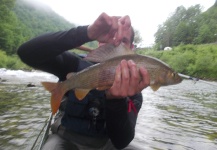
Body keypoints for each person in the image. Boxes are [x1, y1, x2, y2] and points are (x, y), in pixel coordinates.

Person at [17, 12, 150, 150]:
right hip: (66, 140)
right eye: (110, 37)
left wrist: (116, 100)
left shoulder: (135, 89)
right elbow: (26, 52)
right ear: (100, 42)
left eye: (122, 41)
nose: (114, 44)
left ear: (131, 49)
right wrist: (86, 32)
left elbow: (121, 142)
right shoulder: (75, 64)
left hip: (107, 144)